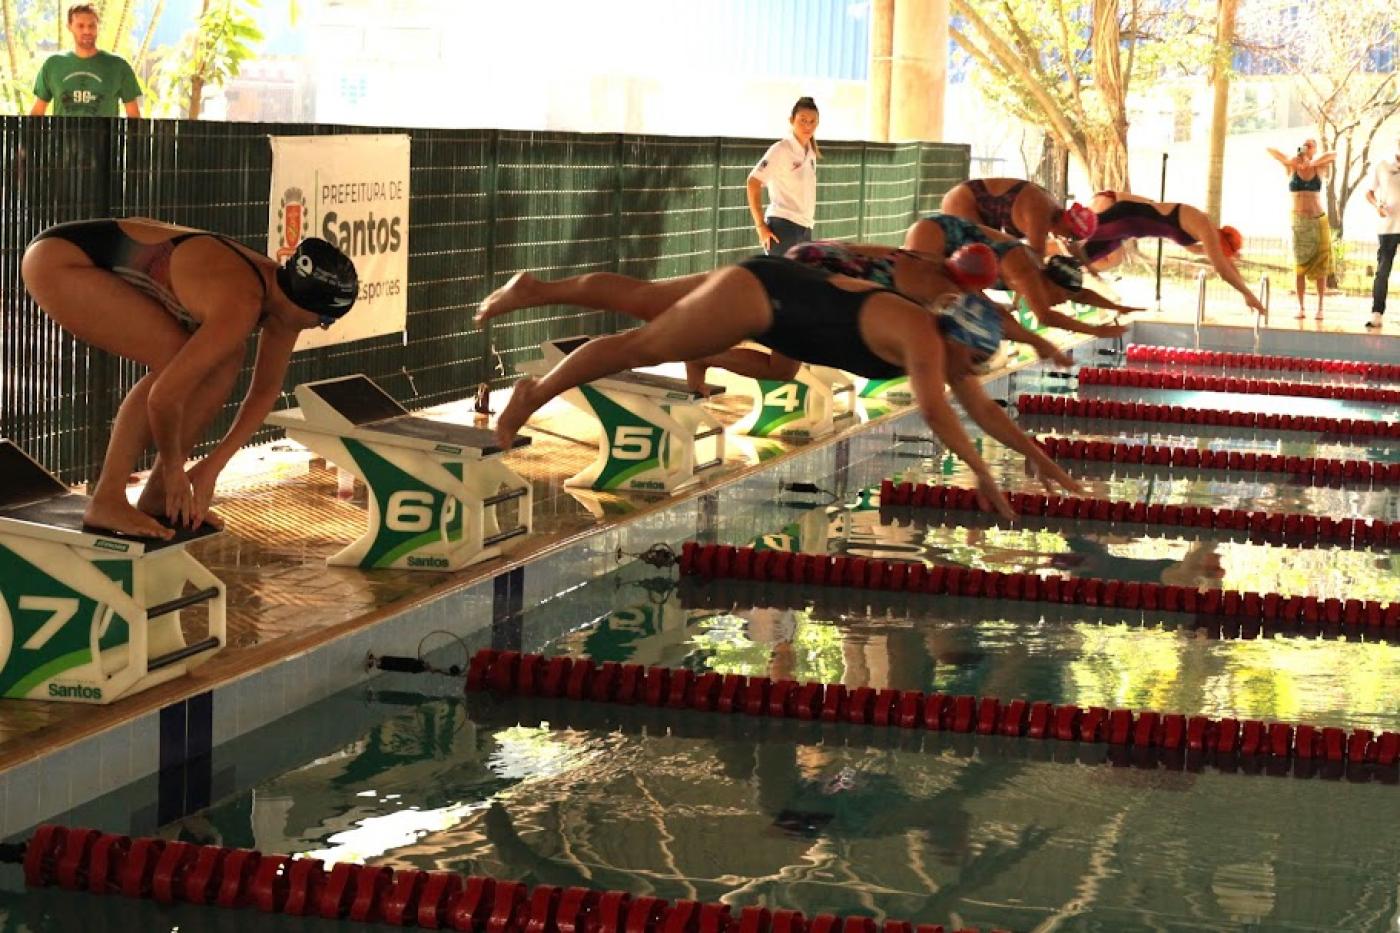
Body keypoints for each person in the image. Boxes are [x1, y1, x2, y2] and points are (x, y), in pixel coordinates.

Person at [485, 256, 1084, 519]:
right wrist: (980, 470)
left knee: (644, 300)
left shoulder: (946, 345)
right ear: (958, 339)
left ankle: (536, 289)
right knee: (640, 344)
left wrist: (1036, 457)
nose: (972, 371)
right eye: (973, 359)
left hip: (773, 285)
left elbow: (978, 406)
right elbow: (938, 413)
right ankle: (529, 399)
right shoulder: (925, 339)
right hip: (763, 300)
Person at [21, 218, 359, 539]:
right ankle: (108, 499)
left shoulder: (285, 300)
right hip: (61, 262)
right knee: (173, 357)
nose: (321, 326)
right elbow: (164, 396)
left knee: (225, 359)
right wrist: (174, 470)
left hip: (91, 260)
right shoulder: (242, 301)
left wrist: (212, 466)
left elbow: (264, 391)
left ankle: (158, 498)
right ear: (308, 305)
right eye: (325, 319)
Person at [903, 213, 1135, 340]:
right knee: (920, 298)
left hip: (947, 241)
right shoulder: (1026, 271)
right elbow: (1046, 317)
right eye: (1063, 296)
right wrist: (1095, 331)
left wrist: (1117, 308)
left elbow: (1081, 294)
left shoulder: (1042, 274)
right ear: (1051, 283)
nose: (1064, 301)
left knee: (954, 304)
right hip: (939, 234)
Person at [1082, 192, 1267, 316]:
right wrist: (1248, 294)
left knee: (1080, 257)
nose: (1217, 253)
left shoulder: (1201, 236)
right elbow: (1222, 268)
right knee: (1075, 235)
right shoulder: (1204, 226)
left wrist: (1244, 289)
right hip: (1125, 218)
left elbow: (1225, 264)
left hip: (1128, 229)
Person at [1266, 139, 1337, 319]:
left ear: (1314, 150)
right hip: (1299, 222)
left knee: (1320, 266)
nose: (1306, 147)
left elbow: (1333, 155)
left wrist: (1312, 161)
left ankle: (1320, 307)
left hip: (1317, 220)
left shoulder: (1319, 168)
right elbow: (1271, 149)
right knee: (1300, 267)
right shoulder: (1292, 167)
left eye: (1310, 145)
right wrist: (1291, 160)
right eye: (1304, 145)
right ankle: (1301, 307)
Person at [31, 4, 142, 118]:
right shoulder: (53, 65)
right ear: (69, 26)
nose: (87, 31)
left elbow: (134, 116)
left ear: (98, 27)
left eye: (92, 26)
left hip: (105, 136)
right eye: (80, 26)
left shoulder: (119, 66)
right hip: (63, 136)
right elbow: (37, 113)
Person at [939, 178, 1098, 256]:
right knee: (977, 258)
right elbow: (1035, 262)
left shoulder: (1057, 214)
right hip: (964, 200)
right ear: (1068, 223)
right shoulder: (1041, 214)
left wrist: (1090, 270)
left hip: (975, 204)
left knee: (989, 256)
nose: (1066, 240)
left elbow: (1072, 249)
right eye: (1069, 236)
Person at [747, 97, 820, 257]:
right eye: (802, 120)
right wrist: (760, 226)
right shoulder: (781, 149)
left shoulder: (811, 152)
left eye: (812, 121)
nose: (808, 125)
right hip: (783, 228)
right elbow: (753, 182)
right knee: (779, 281)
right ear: (791, 120)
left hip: (805, 228)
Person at [1363, 134, 1400, 331]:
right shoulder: (1383, 165)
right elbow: (1369, 192)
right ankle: (1377, 313)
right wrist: (1377, 204)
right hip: (1388, 227)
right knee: (1383, 270)